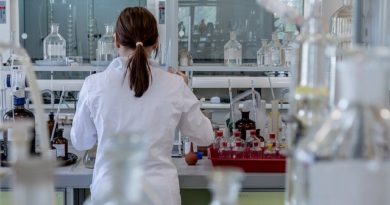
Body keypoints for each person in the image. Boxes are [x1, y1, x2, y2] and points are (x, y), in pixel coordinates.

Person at [70, 7, 213, 205]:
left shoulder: (94, 84)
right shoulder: (175, 84)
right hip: (160, 196)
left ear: (116, 41)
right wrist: (187, 90)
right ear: (156, 43)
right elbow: (205, 136)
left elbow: (81, 142)